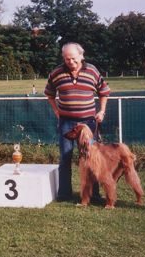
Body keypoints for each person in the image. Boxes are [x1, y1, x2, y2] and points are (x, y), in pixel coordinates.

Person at [44, 42, 111, 202]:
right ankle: (64, 194)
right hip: (67, 122)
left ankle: (94, 195)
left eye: (73, 58)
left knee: (92, 157)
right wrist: (56, 111)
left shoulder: (92, 71)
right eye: (67, 59)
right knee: (65, 157)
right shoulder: (56, 73)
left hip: (88, 122)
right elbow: (49, 93)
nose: (71, 62)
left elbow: (104, 92)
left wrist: (101, 111)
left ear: (81, 56)